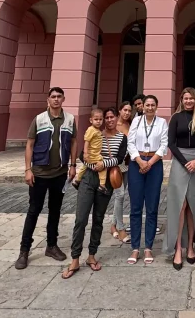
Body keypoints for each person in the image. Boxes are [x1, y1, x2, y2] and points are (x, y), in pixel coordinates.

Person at [63, 107, 128, 279]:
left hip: (106, 182)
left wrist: (104, 165)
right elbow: (82, 156)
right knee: (81, 219)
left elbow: (120, 158)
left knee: (98, 219)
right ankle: (75, 258)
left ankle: (92, 255)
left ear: (116, 118)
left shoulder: (122, 138)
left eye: (111, 117)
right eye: (105, 117)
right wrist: (95, 166)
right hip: (89, 179)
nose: (108, 120)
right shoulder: (94, 132)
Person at [17, 87, 76, 269]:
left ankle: (51, 245)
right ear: (48, 100)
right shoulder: (39, 119)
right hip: (40, 174)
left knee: (55, 210)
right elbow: (30, 145)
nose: (56, 99)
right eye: (53, 97)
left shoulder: (70, 119)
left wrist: (73, 165)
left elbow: (74, 141)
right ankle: (24, 250)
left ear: (63, 99)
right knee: (34, 210)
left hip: (59, 173)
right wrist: (28, 169)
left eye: (59, 97)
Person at [165, 87, 195, 269]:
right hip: (180, 162)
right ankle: (177, 248)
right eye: (186, 98)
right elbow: (171, 143)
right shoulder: (176, 118)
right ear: (182, 100)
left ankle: (190, 245)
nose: (189, 101)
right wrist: (185, 162)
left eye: (192, 98)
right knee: (180, 205)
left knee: (193, 205)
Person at [126, 95, 168, 265]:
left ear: (156, 106)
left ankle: (148, 246)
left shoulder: (162, 123)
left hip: (154, 165)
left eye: (153, 105)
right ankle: (135, 248)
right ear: (143, 107)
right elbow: (130, 143)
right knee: (135, 207)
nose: (150, 108)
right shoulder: (136, 121)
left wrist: (149, 162)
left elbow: (164, 145)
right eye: (147, 105)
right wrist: (139, 161)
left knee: (152, 207)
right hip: (137, 164)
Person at [110, 101, 133, 243]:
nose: (127, 113)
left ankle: (112, 225)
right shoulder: (115, 125)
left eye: (129, 111)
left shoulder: (129, 124)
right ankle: (120, 228)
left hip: (128, 164)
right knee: (120, 195)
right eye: (125, 110)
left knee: (120, 196)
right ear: (120, 110)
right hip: (117, 165)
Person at [72, 108, 107, 192]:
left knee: (85, 166)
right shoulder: (91, 129)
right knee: (103, 167)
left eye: (100, 119)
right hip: (93, 155)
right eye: (96, 119)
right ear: (91, 120)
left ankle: (77, 180)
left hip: (93, 154)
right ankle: (102, 185)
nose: (98, 121)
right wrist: (85, 153)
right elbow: (86, 141)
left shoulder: (97, 130)